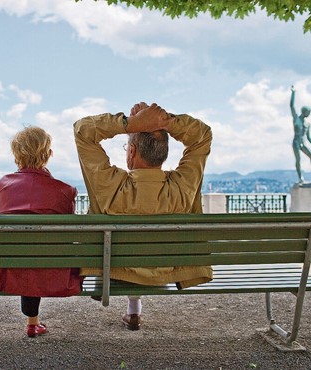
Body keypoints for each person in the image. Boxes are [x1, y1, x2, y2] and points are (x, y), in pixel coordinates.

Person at [73, 102, 213, 330]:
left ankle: (131, 304)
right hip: (165, 270)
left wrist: (129, 124)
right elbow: (202, 135)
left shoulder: (110, 187)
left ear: (132, 152)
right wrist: (166, 121)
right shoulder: (181, 188)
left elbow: (82, 130)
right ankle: (134, 309)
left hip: (114, 269)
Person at [0, 126, 82, 338]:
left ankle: (33, 321)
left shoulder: (0, 186)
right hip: (52, 269)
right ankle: (33, 322)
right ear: (49, 154)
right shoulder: (65, 190)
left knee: (23, 251)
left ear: (16, 155)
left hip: (9, 267)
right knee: (37, 253)